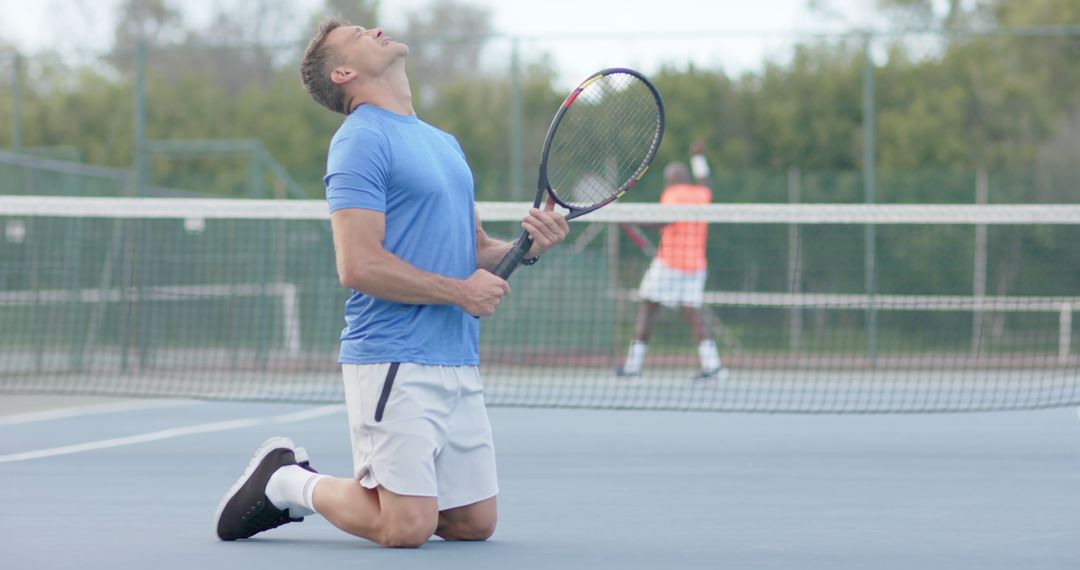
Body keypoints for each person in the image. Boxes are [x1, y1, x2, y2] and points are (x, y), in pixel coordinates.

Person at [212, 18, 569, 548]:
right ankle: (286, 481)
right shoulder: (359, 142)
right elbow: (357, 265)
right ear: (344, 72)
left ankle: (343, 491)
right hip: (392, 357)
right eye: (358, 34)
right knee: (406, 528)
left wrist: (526, 247)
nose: (376, 28)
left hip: (456, 357)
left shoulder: (443, 143)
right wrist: (461, 292)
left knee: (473, 524)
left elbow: (472, 252)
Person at [615, 142, 728, 381]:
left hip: (670, 264)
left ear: (670, 180)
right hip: (696, 266)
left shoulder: (672, 194)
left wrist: (629, 218)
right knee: (694, 314)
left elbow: (664, 220)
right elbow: (706, 181)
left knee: (647, 308)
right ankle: (713, 367)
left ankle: (634, 368)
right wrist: (698, 159)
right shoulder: (701, 194)